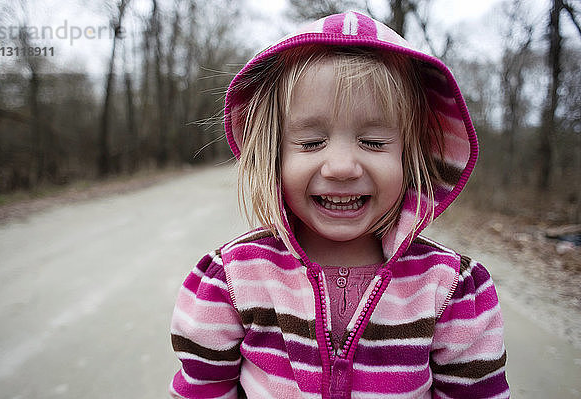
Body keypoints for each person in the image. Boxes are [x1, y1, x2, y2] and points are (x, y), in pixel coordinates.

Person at [169, 11, 509, 399]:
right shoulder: (231, 280)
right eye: (312, 143)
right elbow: (202, 389)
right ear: (273, 154)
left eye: (374, 142)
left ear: (412, 155)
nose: (342, 167)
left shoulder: (452, 290)